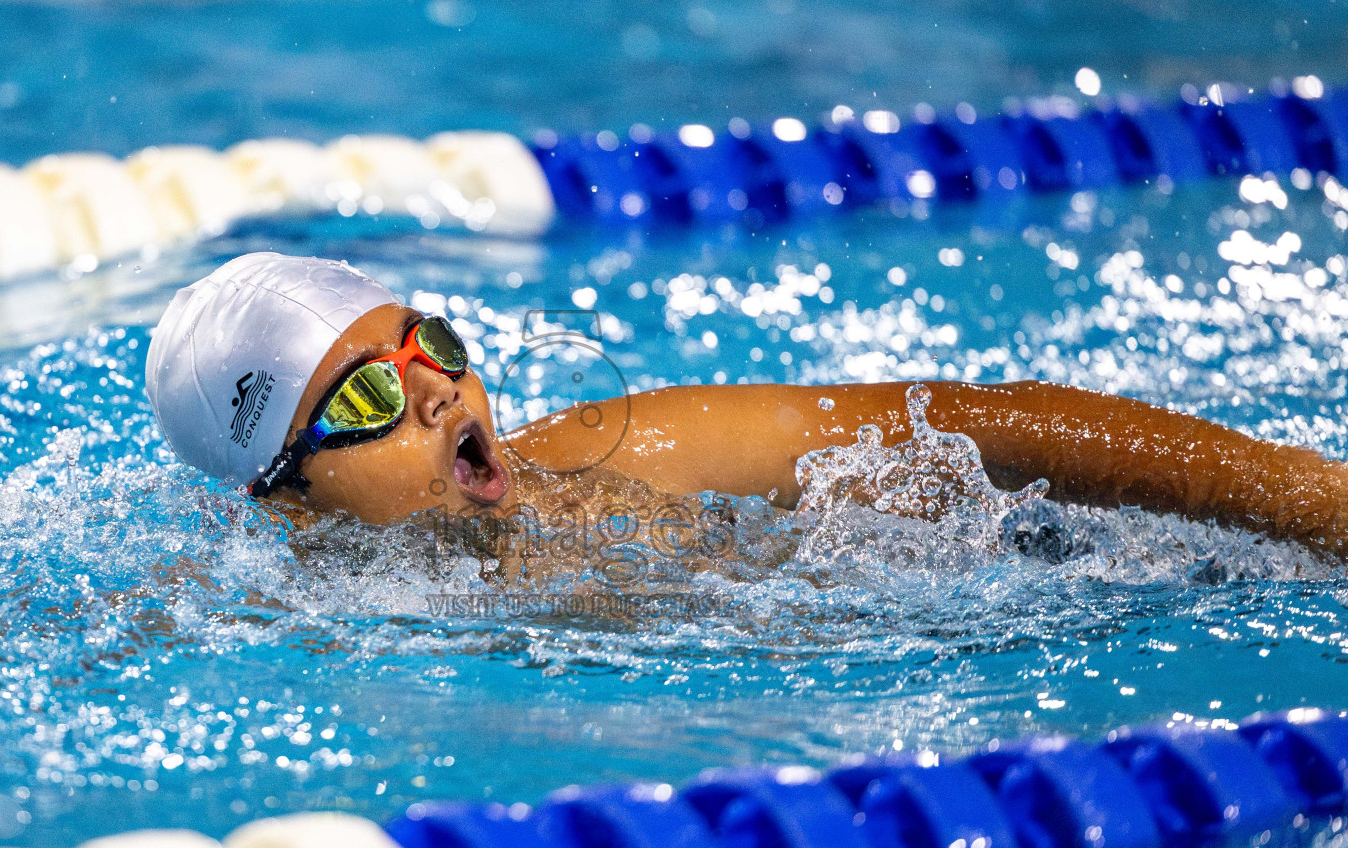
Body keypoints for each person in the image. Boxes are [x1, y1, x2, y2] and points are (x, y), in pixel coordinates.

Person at [145, 252, 1348, 564]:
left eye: (430, 343)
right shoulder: (263, 625)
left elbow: (981, 425)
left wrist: (1300, 494)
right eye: (363, 392)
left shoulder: (628, 460)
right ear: (291, 508)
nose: (434, 385)